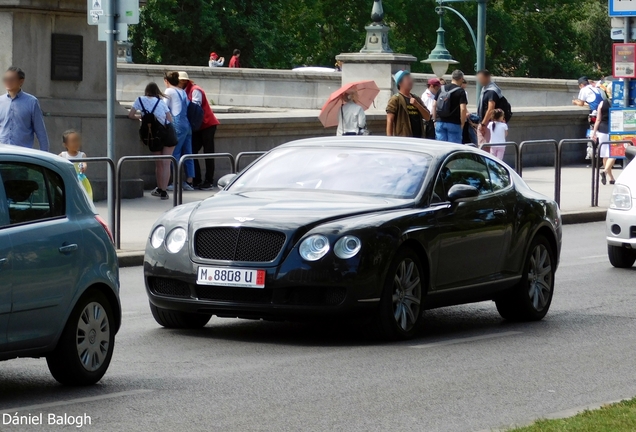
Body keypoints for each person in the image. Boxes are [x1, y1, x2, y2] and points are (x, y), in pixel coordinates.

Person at [128, 82, 174, 200]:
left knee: (158, 164)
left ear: (146, 91)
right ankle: (164, 191)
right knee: (166, 163)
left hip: (153, 135)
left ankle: (159, 188)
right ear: (156, 91)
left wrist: (141, 117)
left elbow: (131, 115)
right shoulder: (161, 102)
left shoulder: (140, 100)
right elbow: (169, 119)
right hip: (167, 134)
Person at [178, 71, 221, 190]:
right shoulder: (185, 91)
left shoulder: (195, 90)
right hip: (198, 126)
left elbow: (195, 107)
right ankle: (197, 179)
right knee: (192, 151)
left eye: (179, 81)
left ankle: (209, 181)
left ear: (184, 81)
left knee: (208, 153)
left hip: (208, 125)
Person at [0, 66, 49, 152]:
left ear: (21, 81)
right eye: (6, 79)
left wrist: (45, 154)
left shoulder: (31, 102)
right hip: (3, 153)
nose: (8, 82)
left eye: (12, 79)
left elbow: (41, 132)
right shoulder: (0, 101)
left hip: (22, 154)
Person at [163, 71, 195, 191]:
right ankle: (189, 181)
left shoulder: (169, 91)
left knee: (175, 153)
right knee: (188, 153)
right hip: (187, 124)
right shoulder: (182, 92)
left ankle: (175, 182)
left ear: (166, 81)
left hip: (177, 124)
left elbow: (164, 107)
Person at [386, 70, 430, 138]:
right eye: (407, 79)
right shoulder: (395, 99)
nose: (410, 81)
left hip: (419, 138)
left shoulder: (416, 98)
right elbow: (390, 120)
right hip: (404, 139)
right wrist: (389, 139)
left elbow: (427, 117)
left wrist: (417, 105)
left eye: (410, 78)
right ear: (400, 83)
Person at [434, 70, 468, 144]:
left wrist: (435, 120)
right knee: (454, 148)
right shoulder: (461, 91)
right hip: (454, 123)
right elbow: (463, 109)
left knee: (441, 147)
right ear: (461, 79)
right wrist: (462, 123)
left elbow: (434, 105)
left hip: (440, 122)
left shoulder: (441, 89)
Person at [477, 69, 507, 146]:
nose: (479, 81)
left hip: (489, 123)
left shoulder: (491, 91)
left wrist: (483, 124)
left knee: (484, 147)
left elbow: (491, 108)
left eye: (481, 78)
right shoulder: (485, 89)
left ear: (487, 78)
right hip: (488, 123)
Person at [591, 99, 616, 185]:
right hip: (614, 130)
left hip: (602, 130)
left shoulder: (602, 103)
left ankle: (611, 178)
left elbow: (598, 119)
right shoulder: (620, 101)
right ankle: (605, 171)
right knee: (615, 153)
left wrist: (594, 133)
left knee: (605, 155)